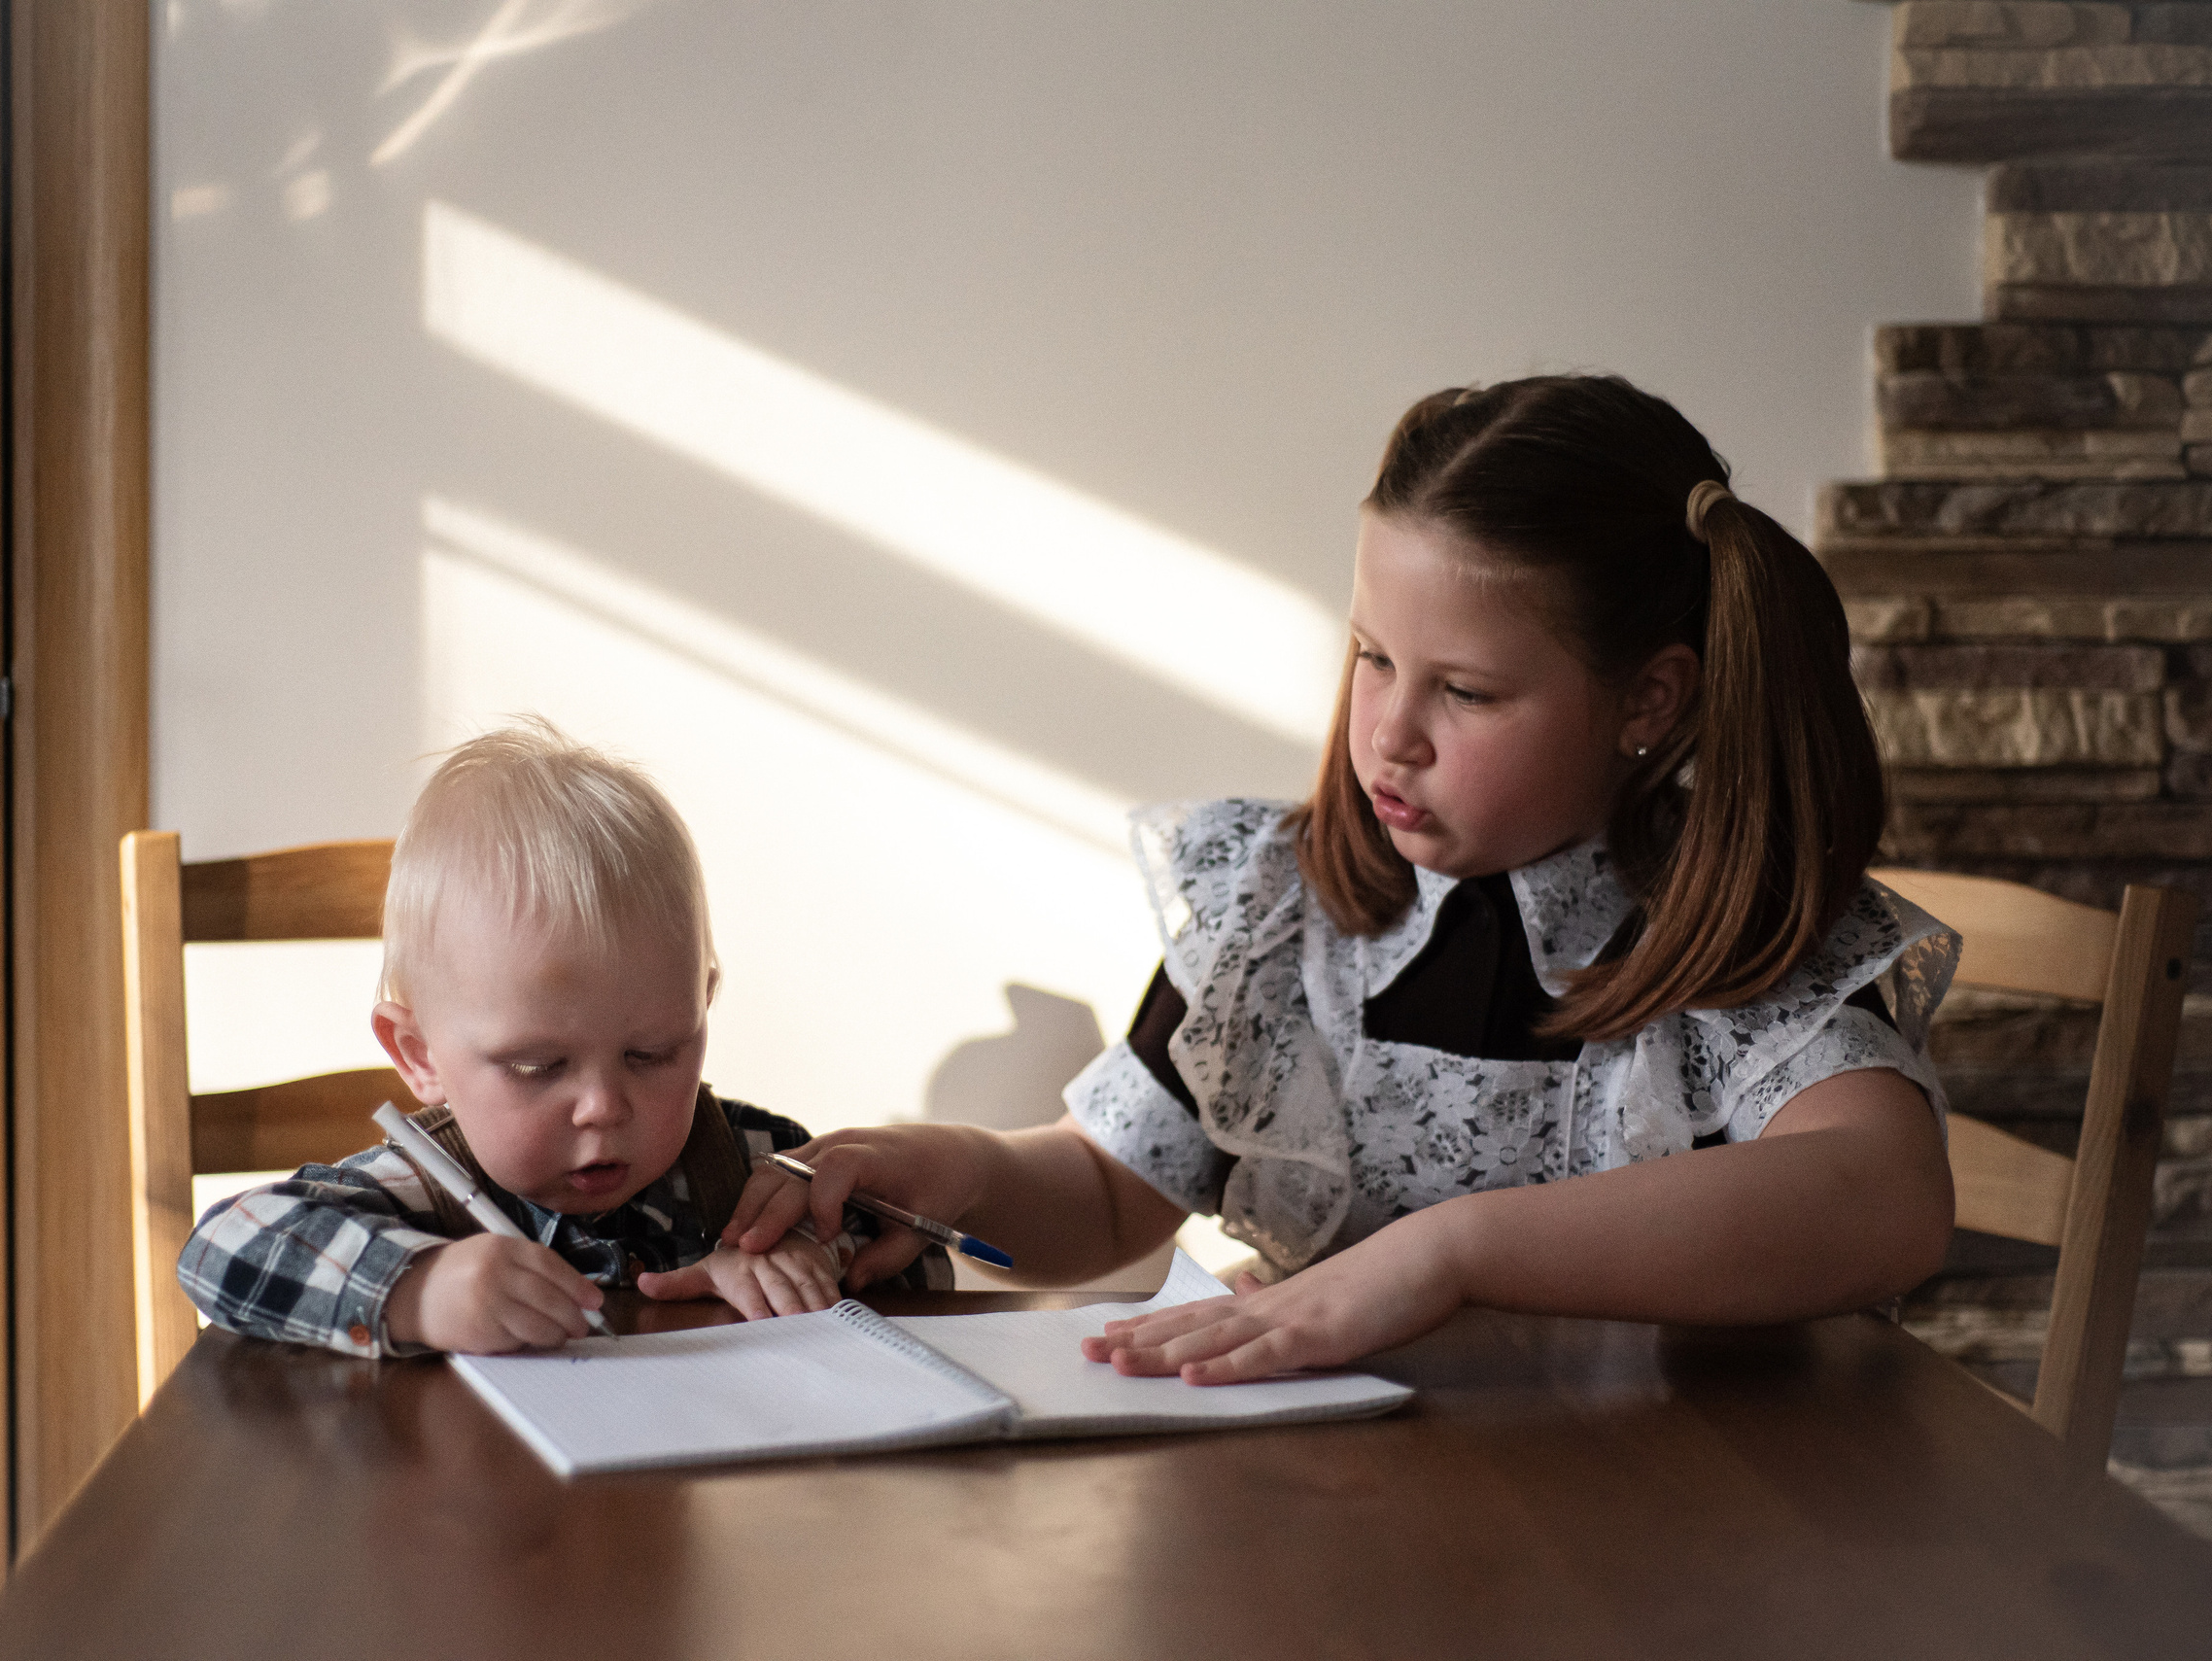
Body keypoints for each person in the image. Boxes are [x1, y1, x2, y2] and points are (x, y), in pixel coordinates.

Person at [725, 373, 1958, 1385]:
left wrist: (1450, 1252)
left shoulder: (1731, 928)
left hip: (1662, 1533)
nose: (1390, 732)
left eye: (1463, 690)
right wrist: (958, 1168)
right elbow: (1110, 1188)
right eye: (1372, 656)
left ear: (1648, 697)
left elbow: (1881, 1197)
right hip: (1351, 1521)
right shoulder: (1278, 905)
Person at [179, 718, 945, 1359]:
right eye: (537, 1065)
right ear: (419, 1055)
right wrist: (418, 1289)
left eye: (652, 1053)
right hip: (473, 1515)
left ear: (701, 1007)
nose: (604, 1107)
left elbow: (922, 1261)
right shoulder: (420, 1188)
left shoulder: (750, 1171)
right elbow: (219, 1251)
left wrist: (812, 1260)